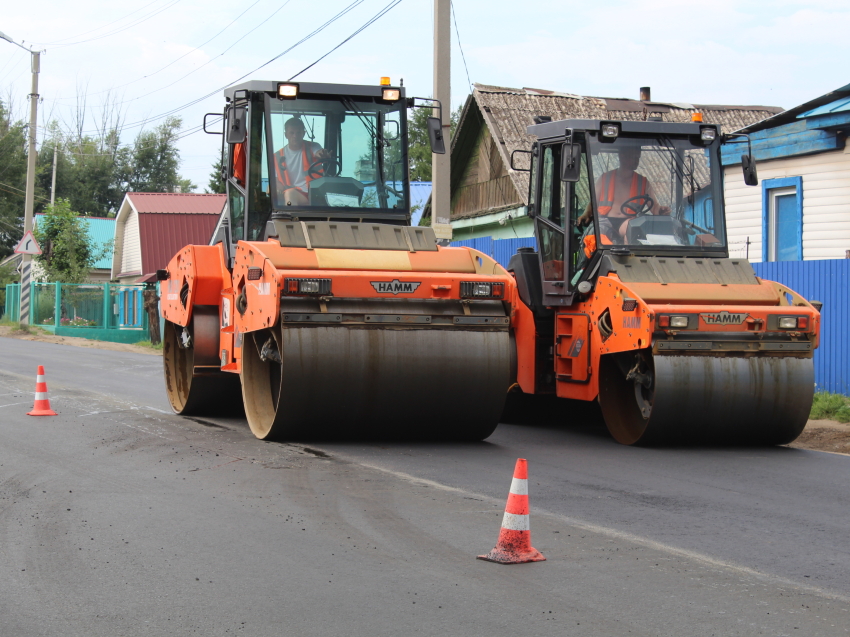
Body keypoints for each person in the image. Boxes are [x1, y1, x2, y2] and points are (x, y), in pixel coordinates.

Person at [577, 145, 669, 243]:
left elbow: (655, 208)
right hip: (605, 220)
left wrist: (661, 211)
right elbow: (593, 202)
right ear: (622, 156)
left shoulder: (643, 182)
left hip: (627, 221)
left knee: (633, 229)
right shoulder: (604, 178)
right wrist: (586, 214)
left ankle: (630, 257)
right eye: (633, 157)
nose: (636, 161)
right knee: (597, 233)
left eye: (638, 158)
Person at [273, 117, 333, 206]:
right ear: (286, 135)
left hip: (316, 192)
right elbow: (276, 179)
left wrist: (322, 155)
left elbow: (318, 152)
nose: (295, 136)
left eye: (298, 133)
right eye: (292, 133)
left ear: (304, 133)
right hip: (294, 193)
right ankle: (291, 219)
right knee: (290, 193)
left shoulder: (313, 147)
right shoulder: (277, 156)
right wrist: (276, 187)